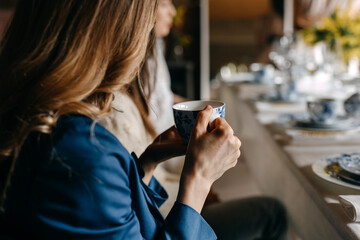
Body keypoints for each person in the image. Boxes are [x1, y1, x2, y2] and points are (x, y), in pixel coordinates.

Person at [0, 0, 242, 239]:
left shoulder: (33, 114)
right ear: (116, 31)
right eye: (143, 27)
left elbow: (113, 218)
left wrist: (146, 164)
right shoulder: (80, 152)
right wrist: (199, 180)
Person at [101, 0, 289, 239]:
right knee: (271, 209)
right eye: (162, 4)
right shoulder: (106, 118)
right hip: (173, 207)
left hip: (162, 187)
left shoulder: (120, 95)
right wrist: (198, 182)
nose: (172, 11)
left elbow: (130, 199)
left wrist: (149, 159)